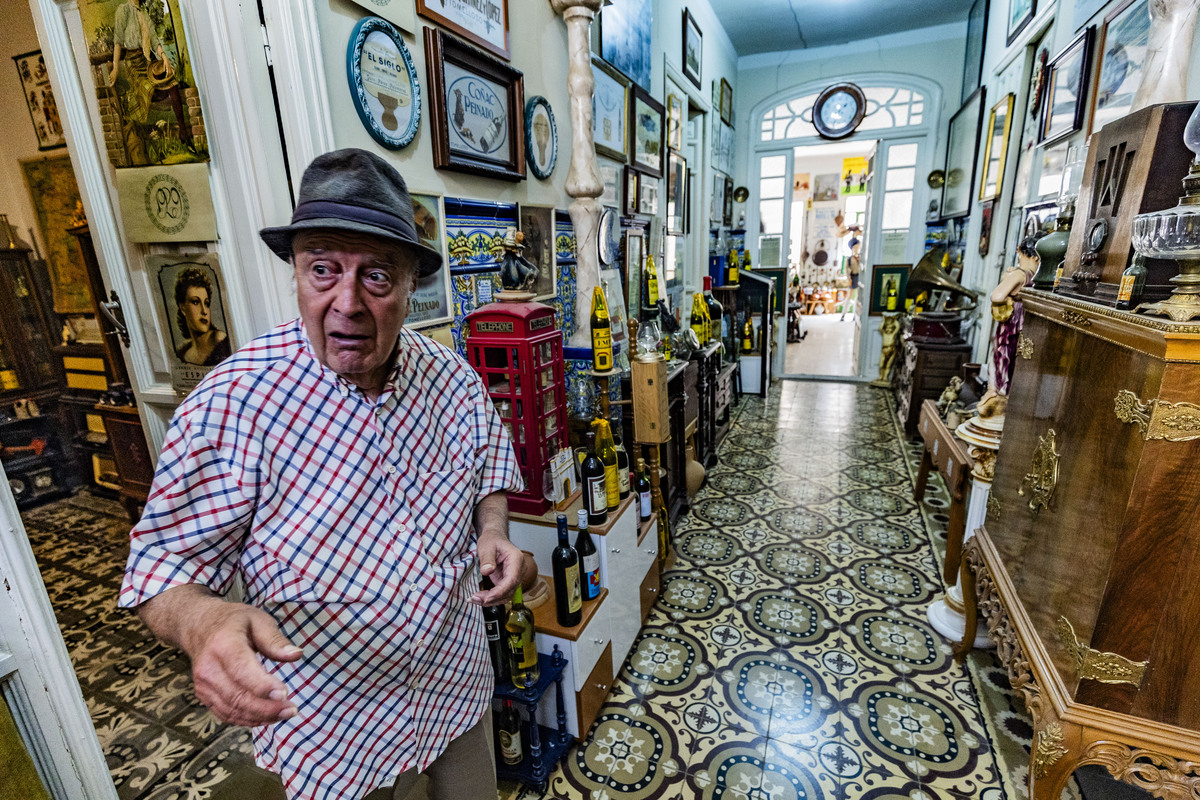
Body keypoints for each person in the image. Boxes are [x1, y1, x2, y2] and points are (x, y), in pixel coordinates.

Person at [120, 148, 524, 800]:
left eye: (376, 277)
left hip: (454, 684)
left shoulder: (450, 376)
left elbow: (488, 466)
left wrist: (495, 529)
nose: (348, 303)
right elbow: (158, 568)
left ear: (410, 286)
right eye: (324, 270)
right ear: (297, 275)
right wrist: (203, 624)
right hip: (334, 727)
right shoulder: (236, 402)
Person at [172, 267, 231, 366]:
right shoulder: (183, 353)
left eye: (207, 303)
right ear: (182, 308)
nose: (204, 311)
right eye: (195, 302)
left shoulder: (219, 339)